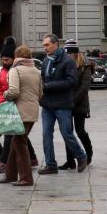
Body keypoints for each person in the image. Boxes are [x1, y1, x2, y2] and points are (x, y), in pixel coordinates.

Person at [38, 34, 88, 175]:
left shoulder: (68, 61)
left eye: (47, 45)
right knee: (46, 134)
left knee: (67, 133)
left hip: (62, 104)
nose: (45, 48)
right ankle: (51, 164)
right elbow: (43, 78)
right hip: (47, 104)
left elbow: (71, 82)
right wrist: (41, 90)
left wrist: (49, 86)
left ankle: (81, 156)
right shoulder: (46, 61)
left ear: (55, 44)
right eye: (44, 45)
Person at [0, 45, 43, 186]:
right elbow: (41, 93)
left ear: (16, 57)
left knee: (20, 143)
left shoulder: (15, 70)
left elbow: (14, 91)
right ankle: (10, 175)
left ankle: (26, 178)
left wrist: (4, 94)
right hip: (32, 111)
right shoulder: (36, 71)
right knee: (16, 142)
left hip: (19, 112)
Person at [61, 40, 94, 169]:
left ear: (74, 53)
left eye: (69, 54)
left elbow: (84, 87)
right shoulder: (66, 64)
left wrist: (73, 100)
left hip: (80, 103)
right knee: (67, 132)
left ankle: (89, 154)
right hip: (67, 103)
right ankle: (70, 161)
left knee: (80, 131)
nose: (67, 56)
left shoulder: (85, 65)